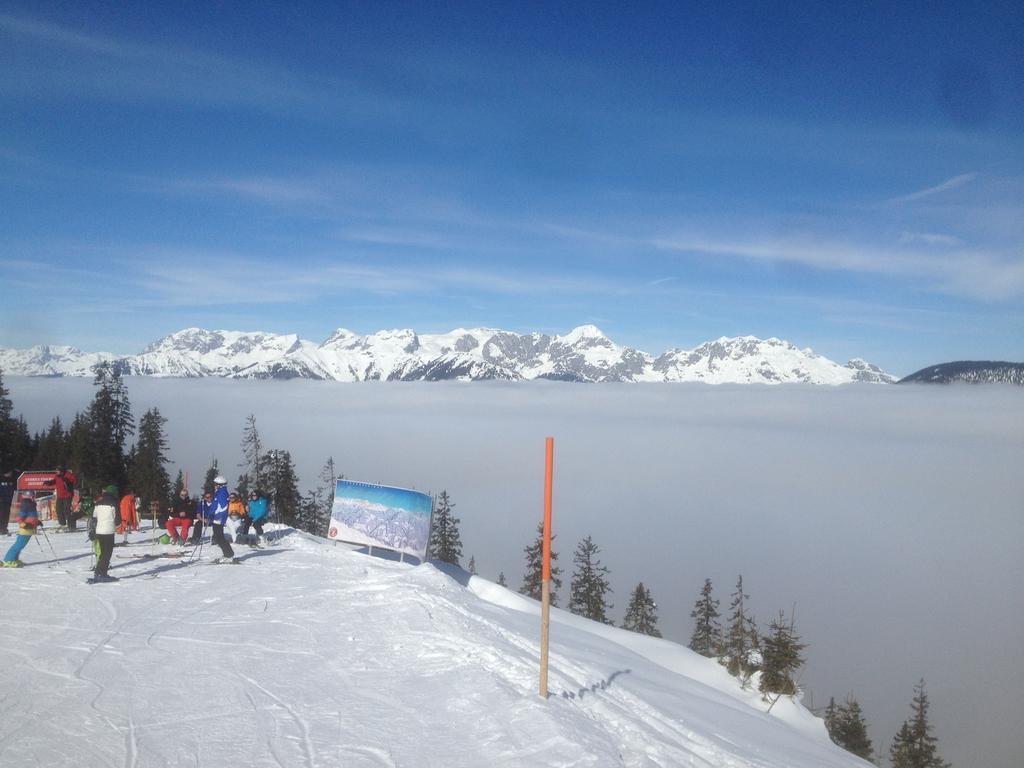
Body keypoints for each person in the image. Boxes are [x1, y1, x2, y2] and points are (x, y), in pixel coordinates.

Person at [92, 485, 121, 582]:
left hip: (99, 530)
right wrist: (117, 525)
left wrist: (93, 530)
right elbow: (117, 520)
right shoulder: (114, 503)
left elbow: (94, 518)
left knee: (102, 553)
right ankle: (102, 573)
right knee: (107, 553)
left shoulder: (98, 503)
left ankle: (97, 572)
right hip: (108, 531)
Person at [3, 492, 40, 567]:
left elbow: (31, 516)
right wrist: (24, 524)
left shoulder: (31, 504)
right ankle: (8, 560)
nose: (34, 497)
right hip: (26, 529)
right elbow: (19, 518)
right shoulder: (27, 504)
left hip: (30, 528)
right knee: (18, 545)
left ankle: (14, 559)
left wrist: (37, 522)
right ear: (29, 496)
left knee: (21, 545)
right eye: (33, 496)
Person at [209, 475, 236, 562]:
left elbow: (224, 508)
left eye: (215, 484)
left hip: (219, 518)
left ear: (220, 485)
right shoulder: (219, 492)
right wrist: (211, 514)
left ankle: (228, 555)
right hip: (215, 517)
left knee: (219, 537)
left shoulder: (222, 494)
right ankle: (228, 554)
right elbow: (215, 506)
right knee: (218, 537)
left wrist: (216, 516)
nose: (214, 485)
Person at [0, 470, 15, 536]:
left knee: (6, 515)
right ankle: (2, 529)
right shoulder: (1, 479)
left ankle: (4, 528)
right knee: (2, 515)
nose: (10, 474)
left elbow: (14, 488)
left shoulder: (11, 480)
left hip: (8, 500)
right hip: (2, 500)